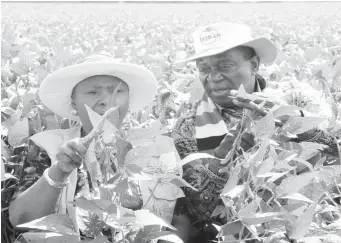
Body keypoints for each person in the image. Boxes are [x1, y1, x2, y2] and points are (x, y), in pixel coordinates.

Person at [170, 22, 340, 243]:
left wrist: (294, 122)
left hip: (294, 230)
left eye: (225, 65)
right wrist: (221, 161)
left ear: (254, 65)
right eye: (204, 69)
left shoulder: (296, 102)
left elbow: (333, 162)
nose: (213, 76)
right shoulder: (187, 126)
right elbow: (191, 213)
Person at [8, 55, 158, 237]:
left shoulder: (152, 146)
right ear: (74, 103)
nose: (106, 101)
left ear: (129, 99)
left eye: (117, 91)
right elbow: (21, 220)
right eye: (93, 92)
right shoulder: (49, 146)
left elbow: (180, 219)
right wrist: (59, 171)